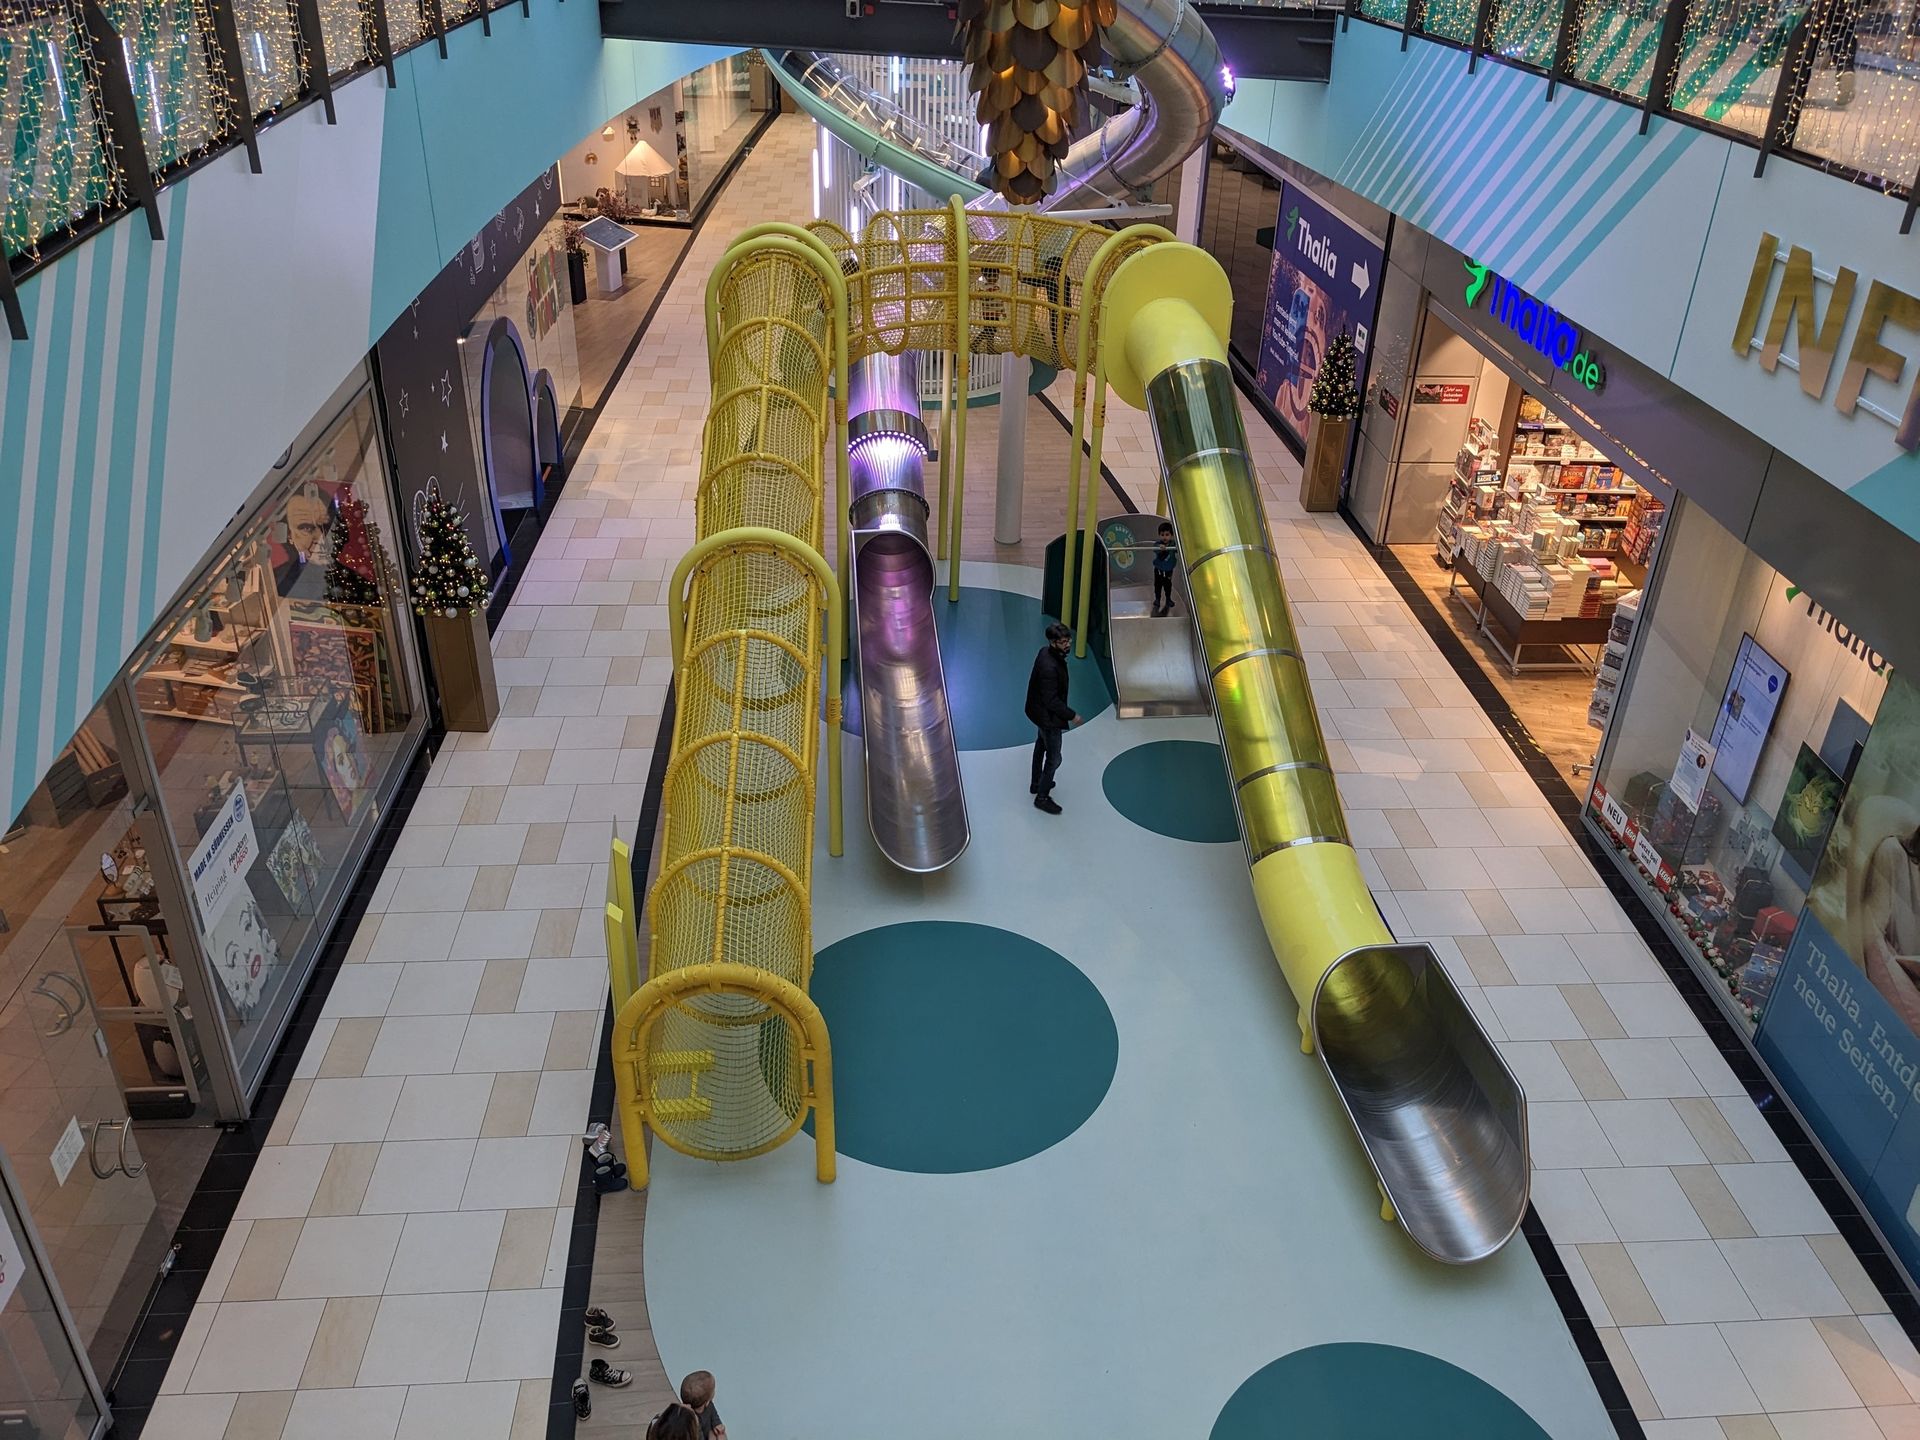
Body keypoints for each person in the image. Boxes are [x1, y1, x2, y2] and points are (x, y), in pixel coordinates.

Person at [1025, 621, 1082, 814]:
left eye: (1068, 640)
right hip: (1048, 718)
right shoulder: (1050, 667)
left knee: (1041, 745)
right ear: (1053, 642)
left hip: (1038, 713)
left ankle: (1036, 783)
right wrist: (1072, 715)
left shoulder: (1045, 653)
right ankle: (1042, 797)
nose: (1068, 644)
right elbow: (1052, 701)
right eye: (1063, 642)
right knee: (1054, 758)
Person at [679, 1369, 727, 1439]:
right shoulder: (690, 1418)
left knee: (721, 1435)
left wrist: (717, 1424)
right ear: (706, 1402)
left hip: (707, 1433)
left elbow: (714, 1414)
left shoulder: (709, 1404)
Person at [1152, 522, 1178, 616]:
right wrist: (1160, 548)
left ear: (1171, 535)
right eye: (1162, 535)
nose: (1164, 537)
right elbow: (1155, 549)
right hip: (1158, 570)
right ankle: (1157, 599)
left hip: (1168, 570)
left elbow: (1178, 549)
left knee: (1168, 586)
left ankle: (1168, 599)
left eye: (1167, 535)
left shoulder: (1173, 544)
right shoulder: (1158, 544)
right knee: (1157, 585)